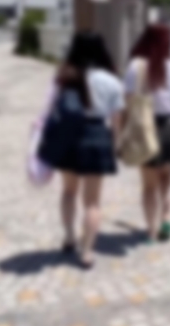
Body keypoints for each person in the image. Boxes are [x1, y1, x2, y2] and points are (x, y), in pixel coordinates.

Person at [39, 32, 125, 268]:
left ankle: (69, 237)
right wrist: (114, 144)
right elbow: (116, 119)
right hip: (97, 136)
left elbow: (52, 107)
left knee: (68, 191)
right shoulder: (112, 81)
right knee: (92, 201)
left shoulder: (66, 75)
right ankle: (87, 251)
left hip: (69, 135)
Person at [124, 24, 170, 243]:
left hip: (146, 128)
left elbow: (128, 99)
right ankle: (166, 219)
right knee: (167, 177)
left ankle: (151, 231)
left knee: (149, 185)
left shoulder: (136, 67)